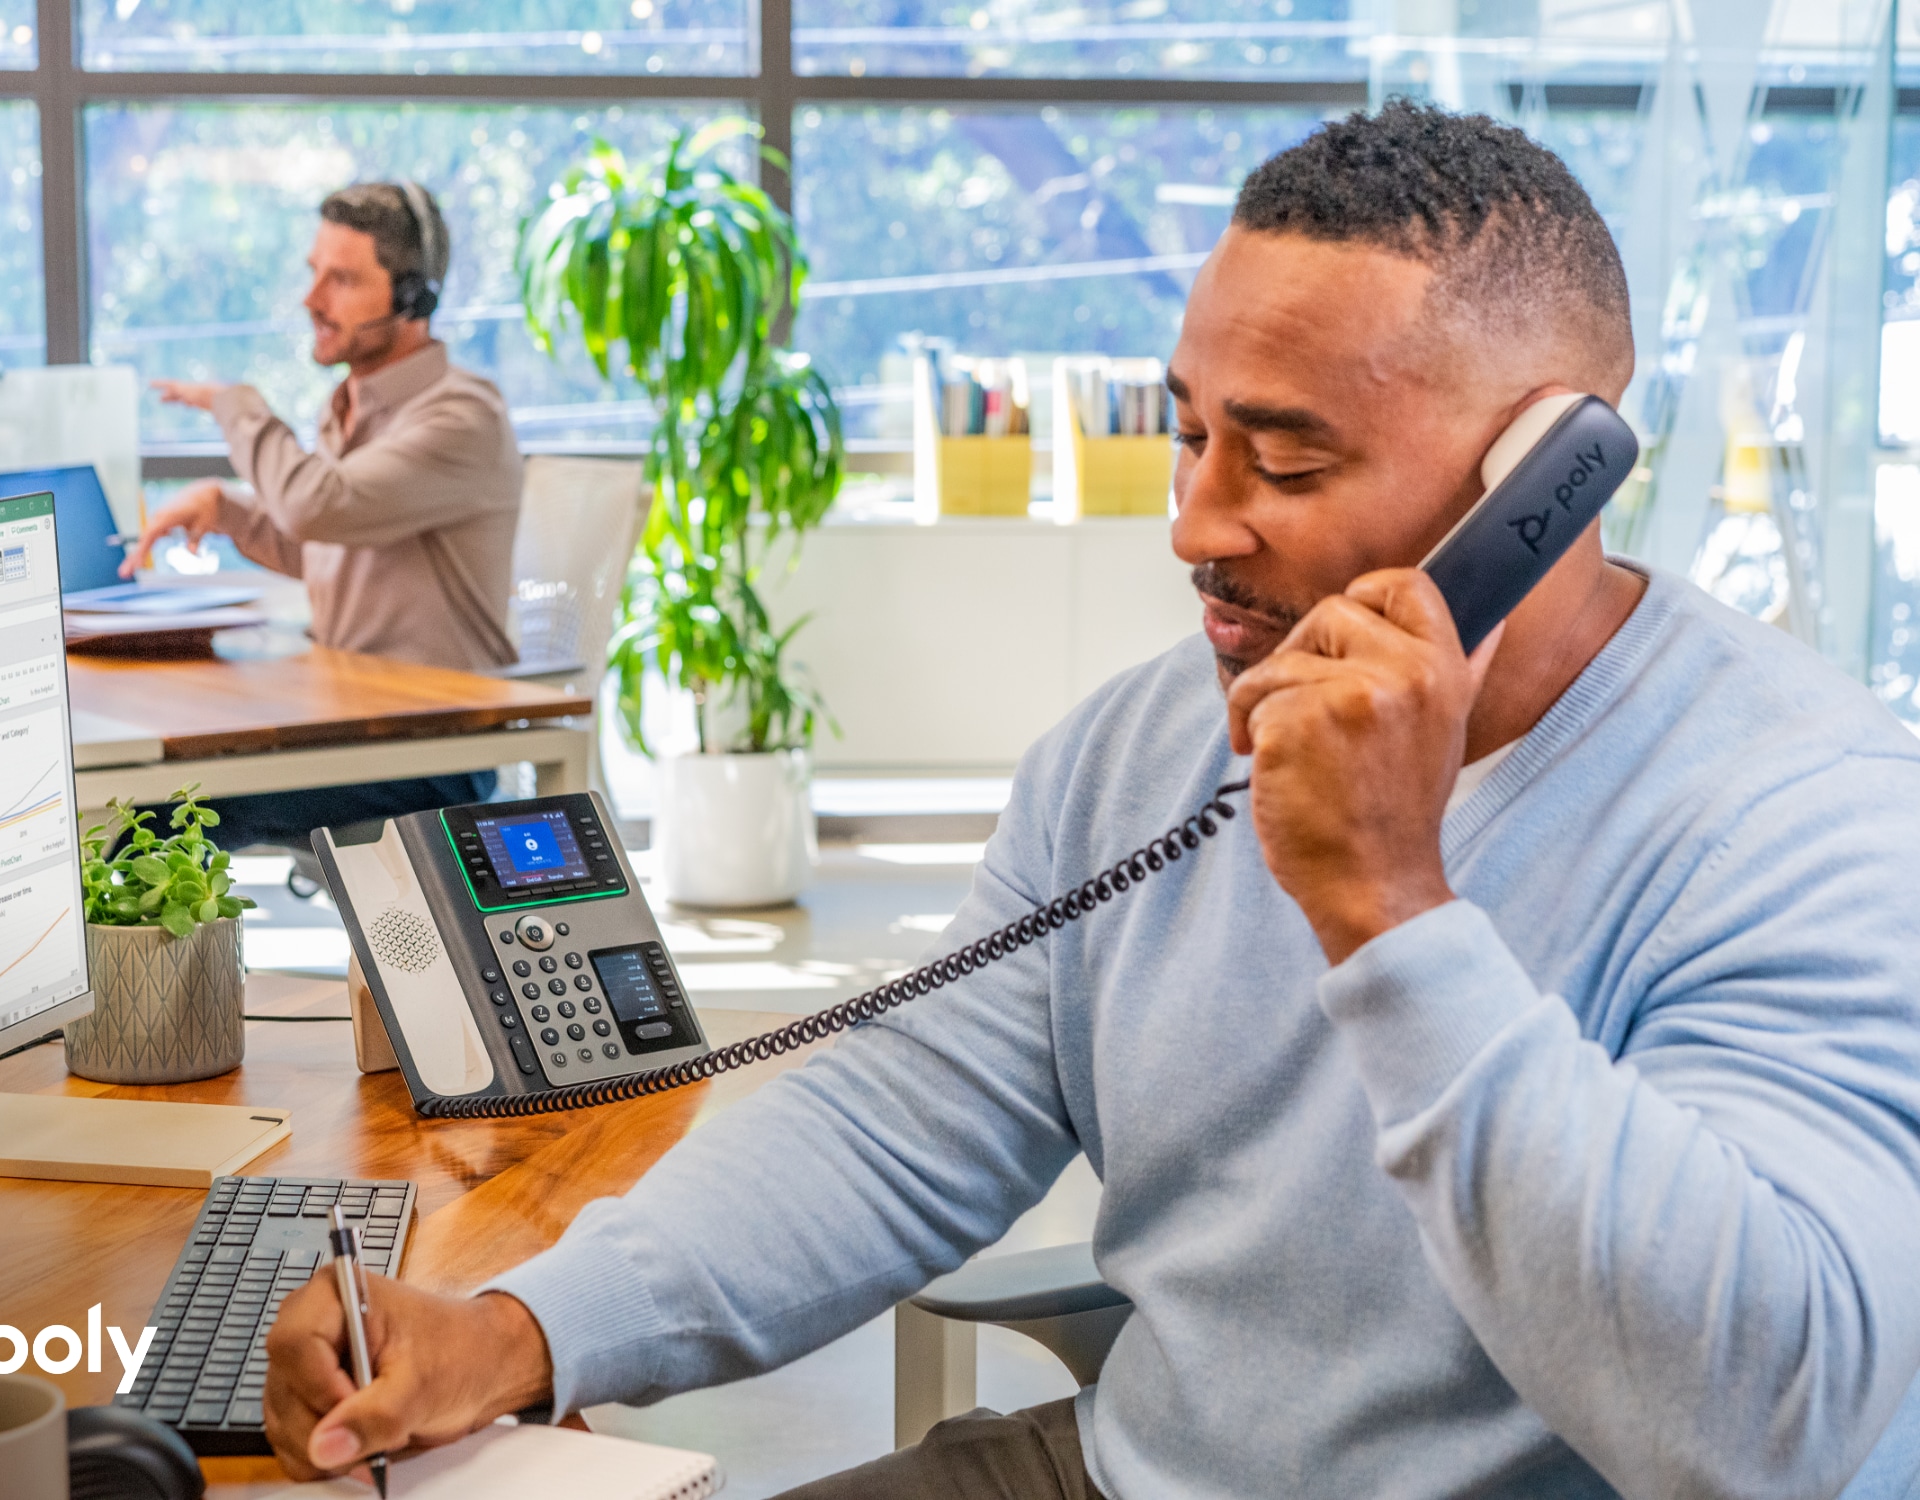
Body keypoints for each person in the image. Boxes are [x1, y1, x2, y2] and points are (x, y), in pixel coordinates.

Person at [261, 104, 1920, 1498]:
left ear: (1541, 488)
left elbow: (1760, 1419)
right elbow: (899, 1123)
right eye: (1186, 438)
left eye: (1280, 463)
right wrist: (525, 1328)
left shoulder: (1806, 814)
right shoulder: (1142, 751)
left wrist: (1389, 908)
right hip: (1132, 1465)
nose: (1194, 525)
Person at [132, 181, 525, 850]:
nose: (312, 300)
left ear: (411, 297)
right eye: (315, 274)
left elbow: (318, 506)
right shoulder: (349, 407)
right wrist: (229, 510)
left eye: (342, 279)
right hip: (350, 722)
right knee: (148, 788)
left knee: (158, 817)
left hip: (429, 753)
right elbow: (327, 543)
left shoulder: (461, 417)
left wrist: (239, 406)